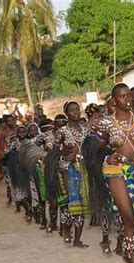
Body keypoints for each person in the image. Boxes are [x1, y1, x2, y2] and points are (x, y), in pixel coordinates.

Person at [90, 83, 134, 263]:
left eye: (128, 96)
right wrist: (108, 157)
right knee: (128, 218)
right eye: (122, 96)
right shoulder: (105, 123)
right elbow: (95, 151)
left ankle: (128, 251)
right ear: (114, 101)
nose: (127, 99)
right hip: (115, 171)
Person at [54, 102, 90, 249]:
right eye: (72, 110)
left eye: (77, 110)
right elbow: (54, 152)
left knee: (81, 204)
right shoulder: (61, 131)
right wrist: (66, 153)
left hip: (83, 168)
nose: (76, 112)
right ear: (66, 113)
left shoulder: (85, 130)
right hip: (68, 169)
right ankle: (66, 230)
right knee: (71, 201)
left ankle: (77, 239)